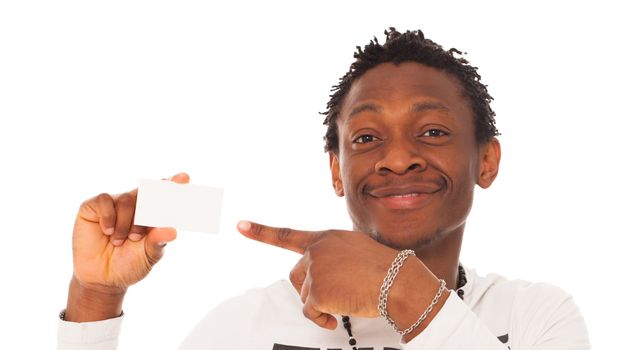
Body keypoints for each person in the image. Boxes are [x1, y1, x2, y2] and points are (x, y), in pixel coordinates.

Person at [57, 28, 590, 349]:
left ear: (487, 160)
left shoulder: (535, 317)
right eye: (366, 136)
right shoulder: (244, 327)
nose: (399, 157)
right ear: (337, 171)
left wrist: (402, 289)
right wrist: (96, 299)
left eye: (432, 131)